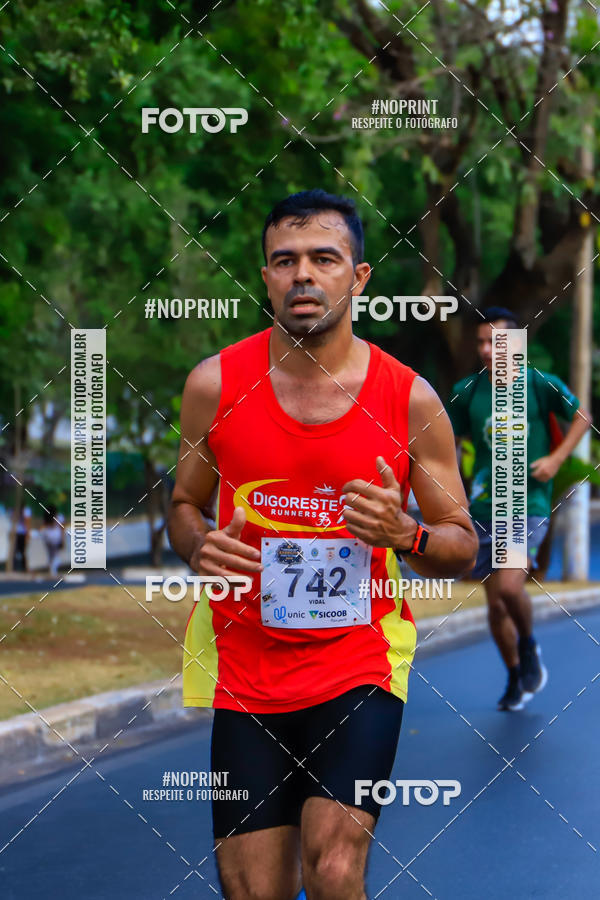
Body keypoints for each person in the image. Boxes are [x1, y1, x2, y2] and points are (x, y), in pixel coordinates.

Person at [168, 189, 478, 900]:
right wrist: (196, 545)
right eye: (285, 260)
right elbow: (183, 505)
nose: (303, 274)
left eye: (323, 258)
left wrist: (406, 533)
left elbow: (462, 545)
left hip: (358, 660)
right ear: (266, 275)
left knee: (335, 868)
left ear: (358, 277)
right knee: (252, 890)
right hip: (247, 665)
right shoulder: (214, 385)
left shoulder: (410, 400)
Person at [448, 307, 592, 712]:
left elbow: (582, 416)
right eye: (481, 342)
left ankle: (528, 648)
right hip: (483, 504)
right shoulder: (468, 391)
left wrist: (557, 459)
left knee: (510, 587)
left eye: (495, 342)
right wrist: (454, 485)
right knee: (495, 604)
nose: (487, 350)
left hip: (527, 501)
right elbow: (449, 441)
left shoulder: (539, 383)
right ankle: (515, 673)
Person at [41, 506, 65, 576]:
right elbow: (62, 529)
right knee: (55, 554)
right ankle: (53, 568)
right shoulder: (59, 517)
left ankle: (51, 567)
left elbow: (44, 527)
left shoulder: (47, 517)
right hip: (55, 536)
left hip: (47, 535)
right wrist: (62, 540)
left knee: (51, 554)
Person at [13, 505, 31, 572]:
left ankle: (24, 567)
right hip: (20, 533)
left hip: (20, 533)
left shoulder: (24, 510)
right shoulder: (25, 510)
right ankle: (23, 567)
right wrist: (28, 533)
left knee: (21, 551)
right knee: (22, 551)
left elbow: (27, 522)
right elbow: (27, 523)